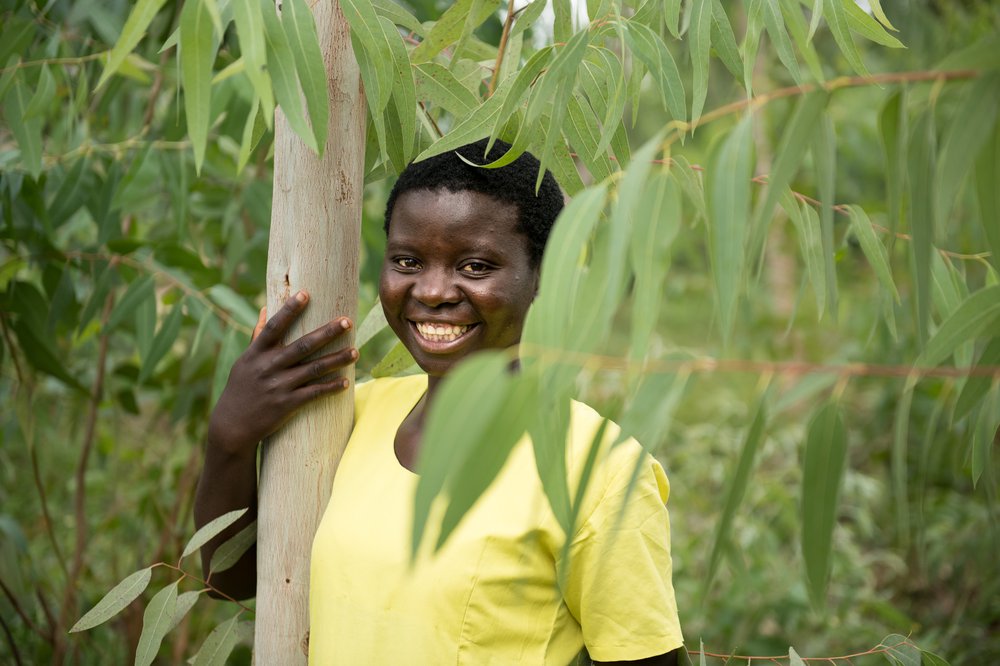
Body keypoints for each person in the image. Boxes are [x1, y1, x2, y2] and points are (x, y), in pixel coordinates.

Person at [194, 138, 683, 664]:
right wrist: (230, 436)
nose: (431, 291)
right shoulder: (344, 415)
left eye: (474, 266)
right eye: (407, 260)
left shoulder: (599, 473)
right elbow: (231, 580)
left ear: (544, 276)